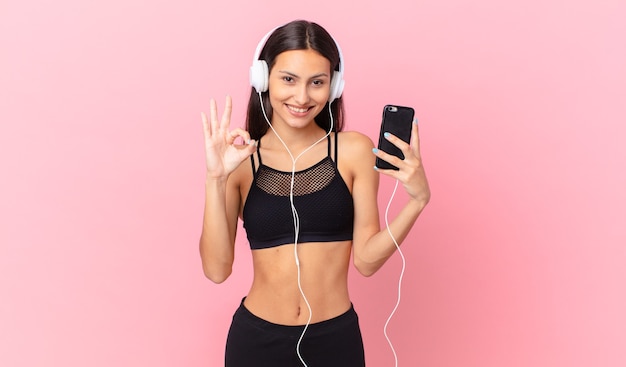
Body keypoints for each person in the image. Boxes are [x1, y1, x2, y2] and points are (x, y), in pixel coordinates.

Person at [199, 20, 430, 367]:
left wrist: (417, 201)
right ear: (262, 79)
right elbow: (217, 270)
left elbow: (366, 261)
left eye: (317, 82)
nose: (302, 97)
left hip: (334, 341)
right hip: (255, 342)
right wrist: (215, 179)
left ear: (334, 86)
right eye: (288, 79)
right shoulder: (241, 160)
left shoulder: (352, 152)